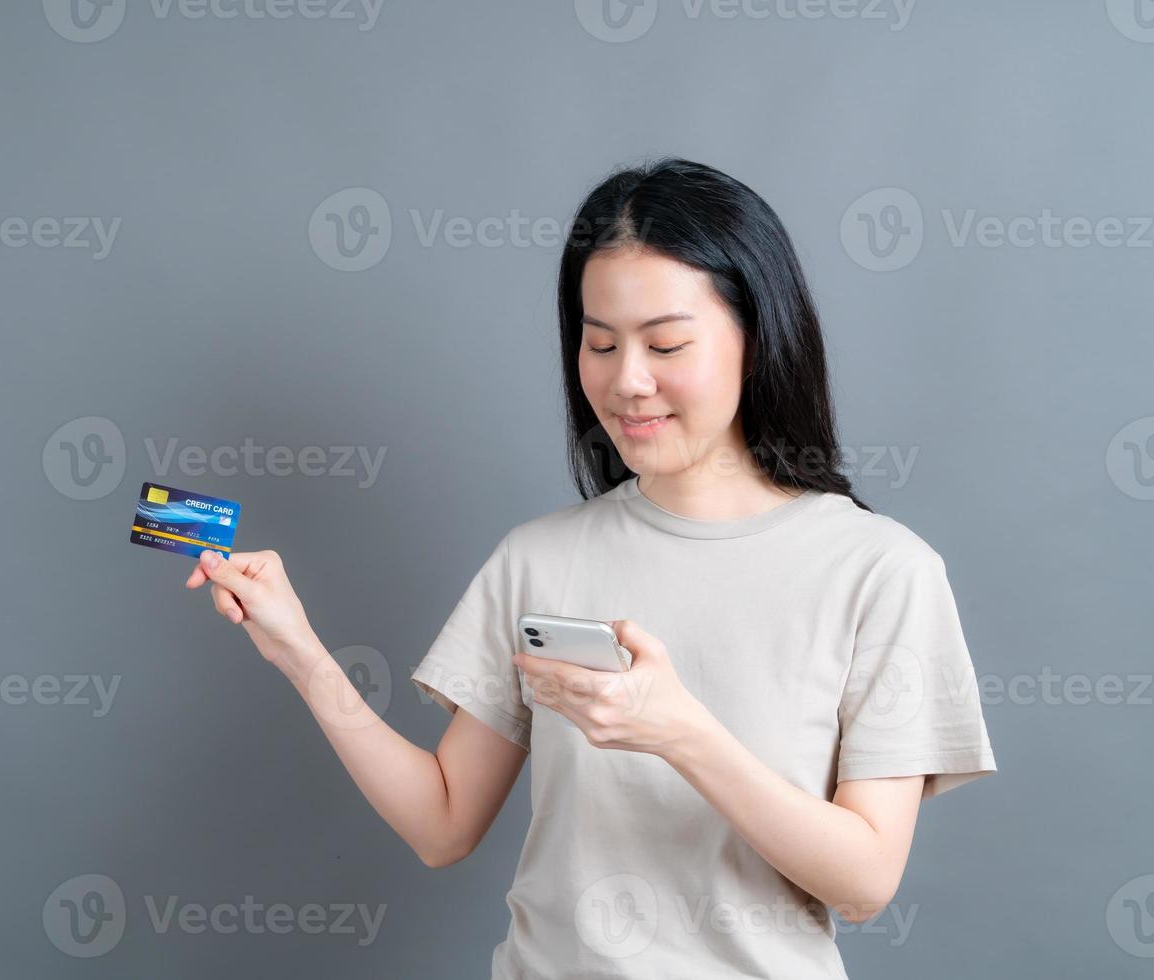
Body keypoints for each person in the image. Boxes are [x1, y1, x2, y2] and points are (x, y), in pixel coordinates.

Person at [184, 157, 997, 979]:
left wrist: (681, 732)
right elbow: (443, 824)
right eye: (600, 343)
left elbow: (864, 882)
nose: (627, 381)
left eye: (667, 343)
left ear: (758, 338)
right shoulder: (541, 557)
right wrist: (299, 651)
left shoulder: (881, 571)